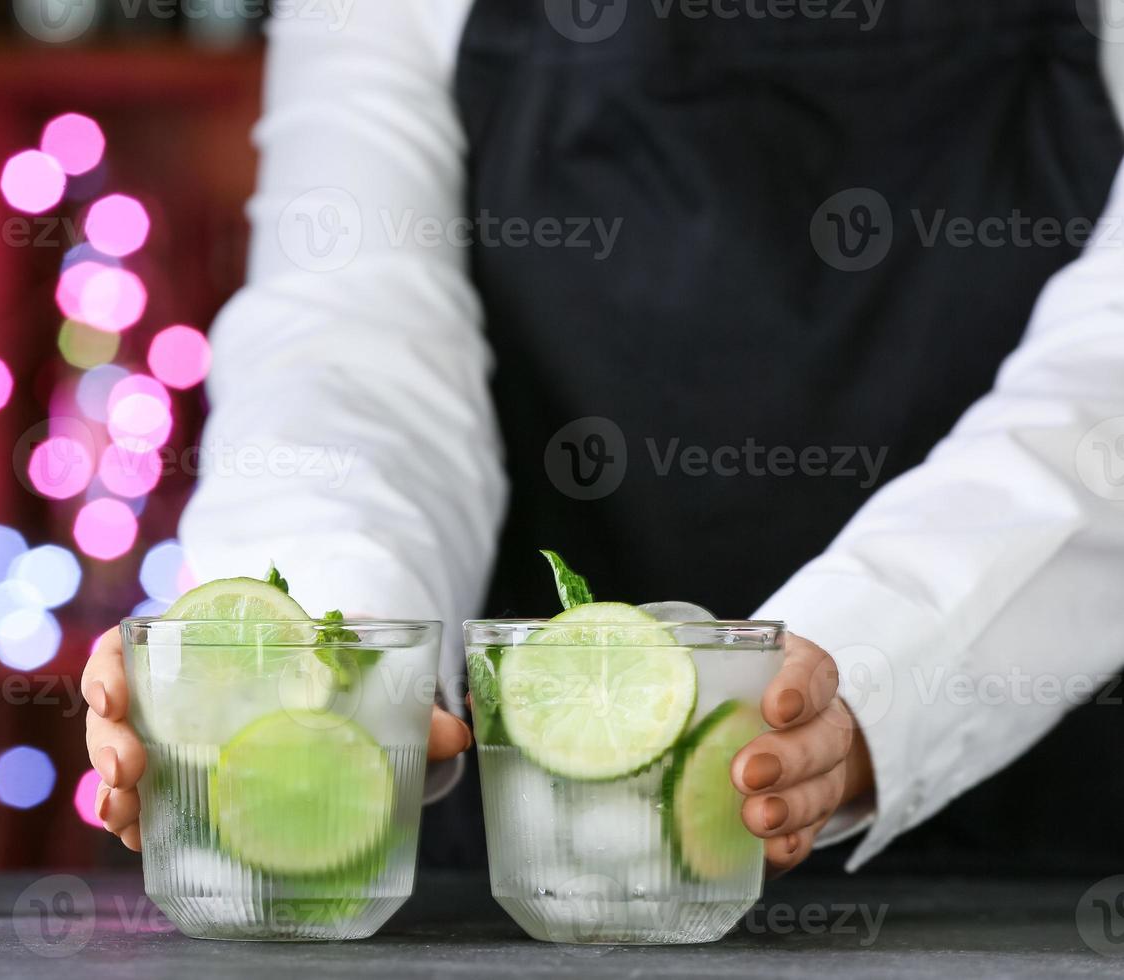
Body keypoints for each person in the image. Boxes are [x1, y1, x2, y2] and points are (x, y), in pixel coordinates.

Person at [86, 0, 1124, 875]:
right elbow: (350, 334)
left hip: (1035, 845)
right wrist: (327, 658)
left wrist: (875, 658)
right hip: (535, 865)